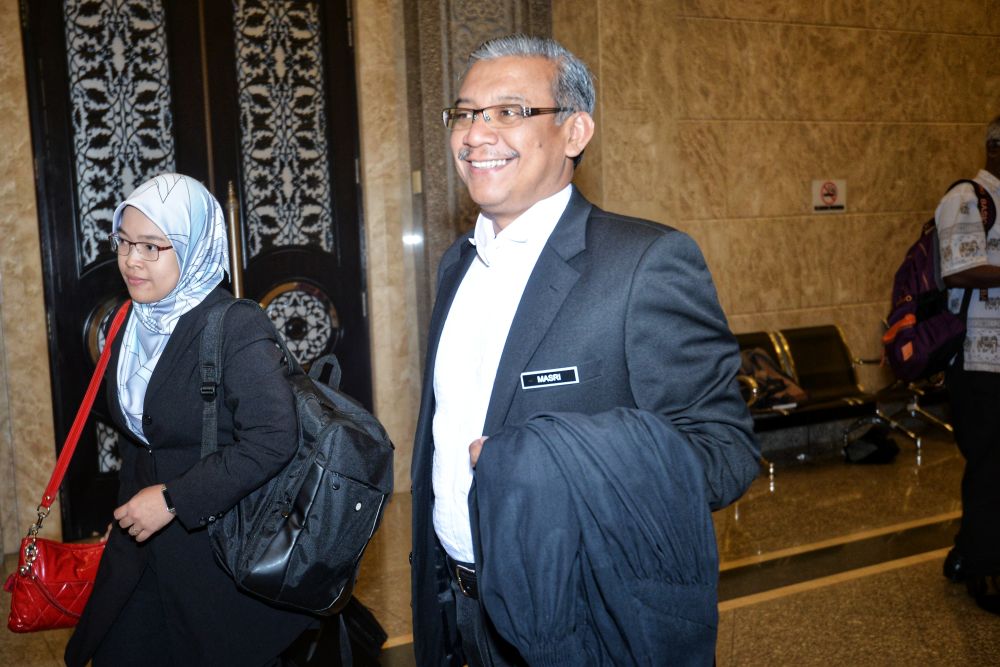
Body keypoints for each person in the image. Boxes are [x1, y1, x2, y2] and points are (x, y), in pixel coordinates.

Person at [410, 35, 760, 666]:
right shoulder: (455, 266)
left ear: (575, 132)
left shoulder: (645, 264)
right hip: (458, 609)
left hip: (583, 618)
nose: (475, 134)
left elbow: (724, 453)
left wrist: (555, 466)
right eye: (464, 113)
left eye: (510, 112)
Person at [65, 174, 314, 666]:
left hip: (217, 557)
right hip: (141, 551)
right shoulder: (129, 320)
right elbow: (144, 434)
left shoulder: (234, 325)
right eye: (124, 241)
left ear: (194, 246)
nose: (132, 260)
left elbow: (273, 437)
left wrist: (175, 500)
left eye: (153, 246)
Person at [938, 116, 1000, 615]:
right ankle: (984, 570)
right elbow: (958, 270)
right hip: (980, 361)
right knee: (990, 466)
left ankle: (965, 553)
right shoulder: (969, 198)